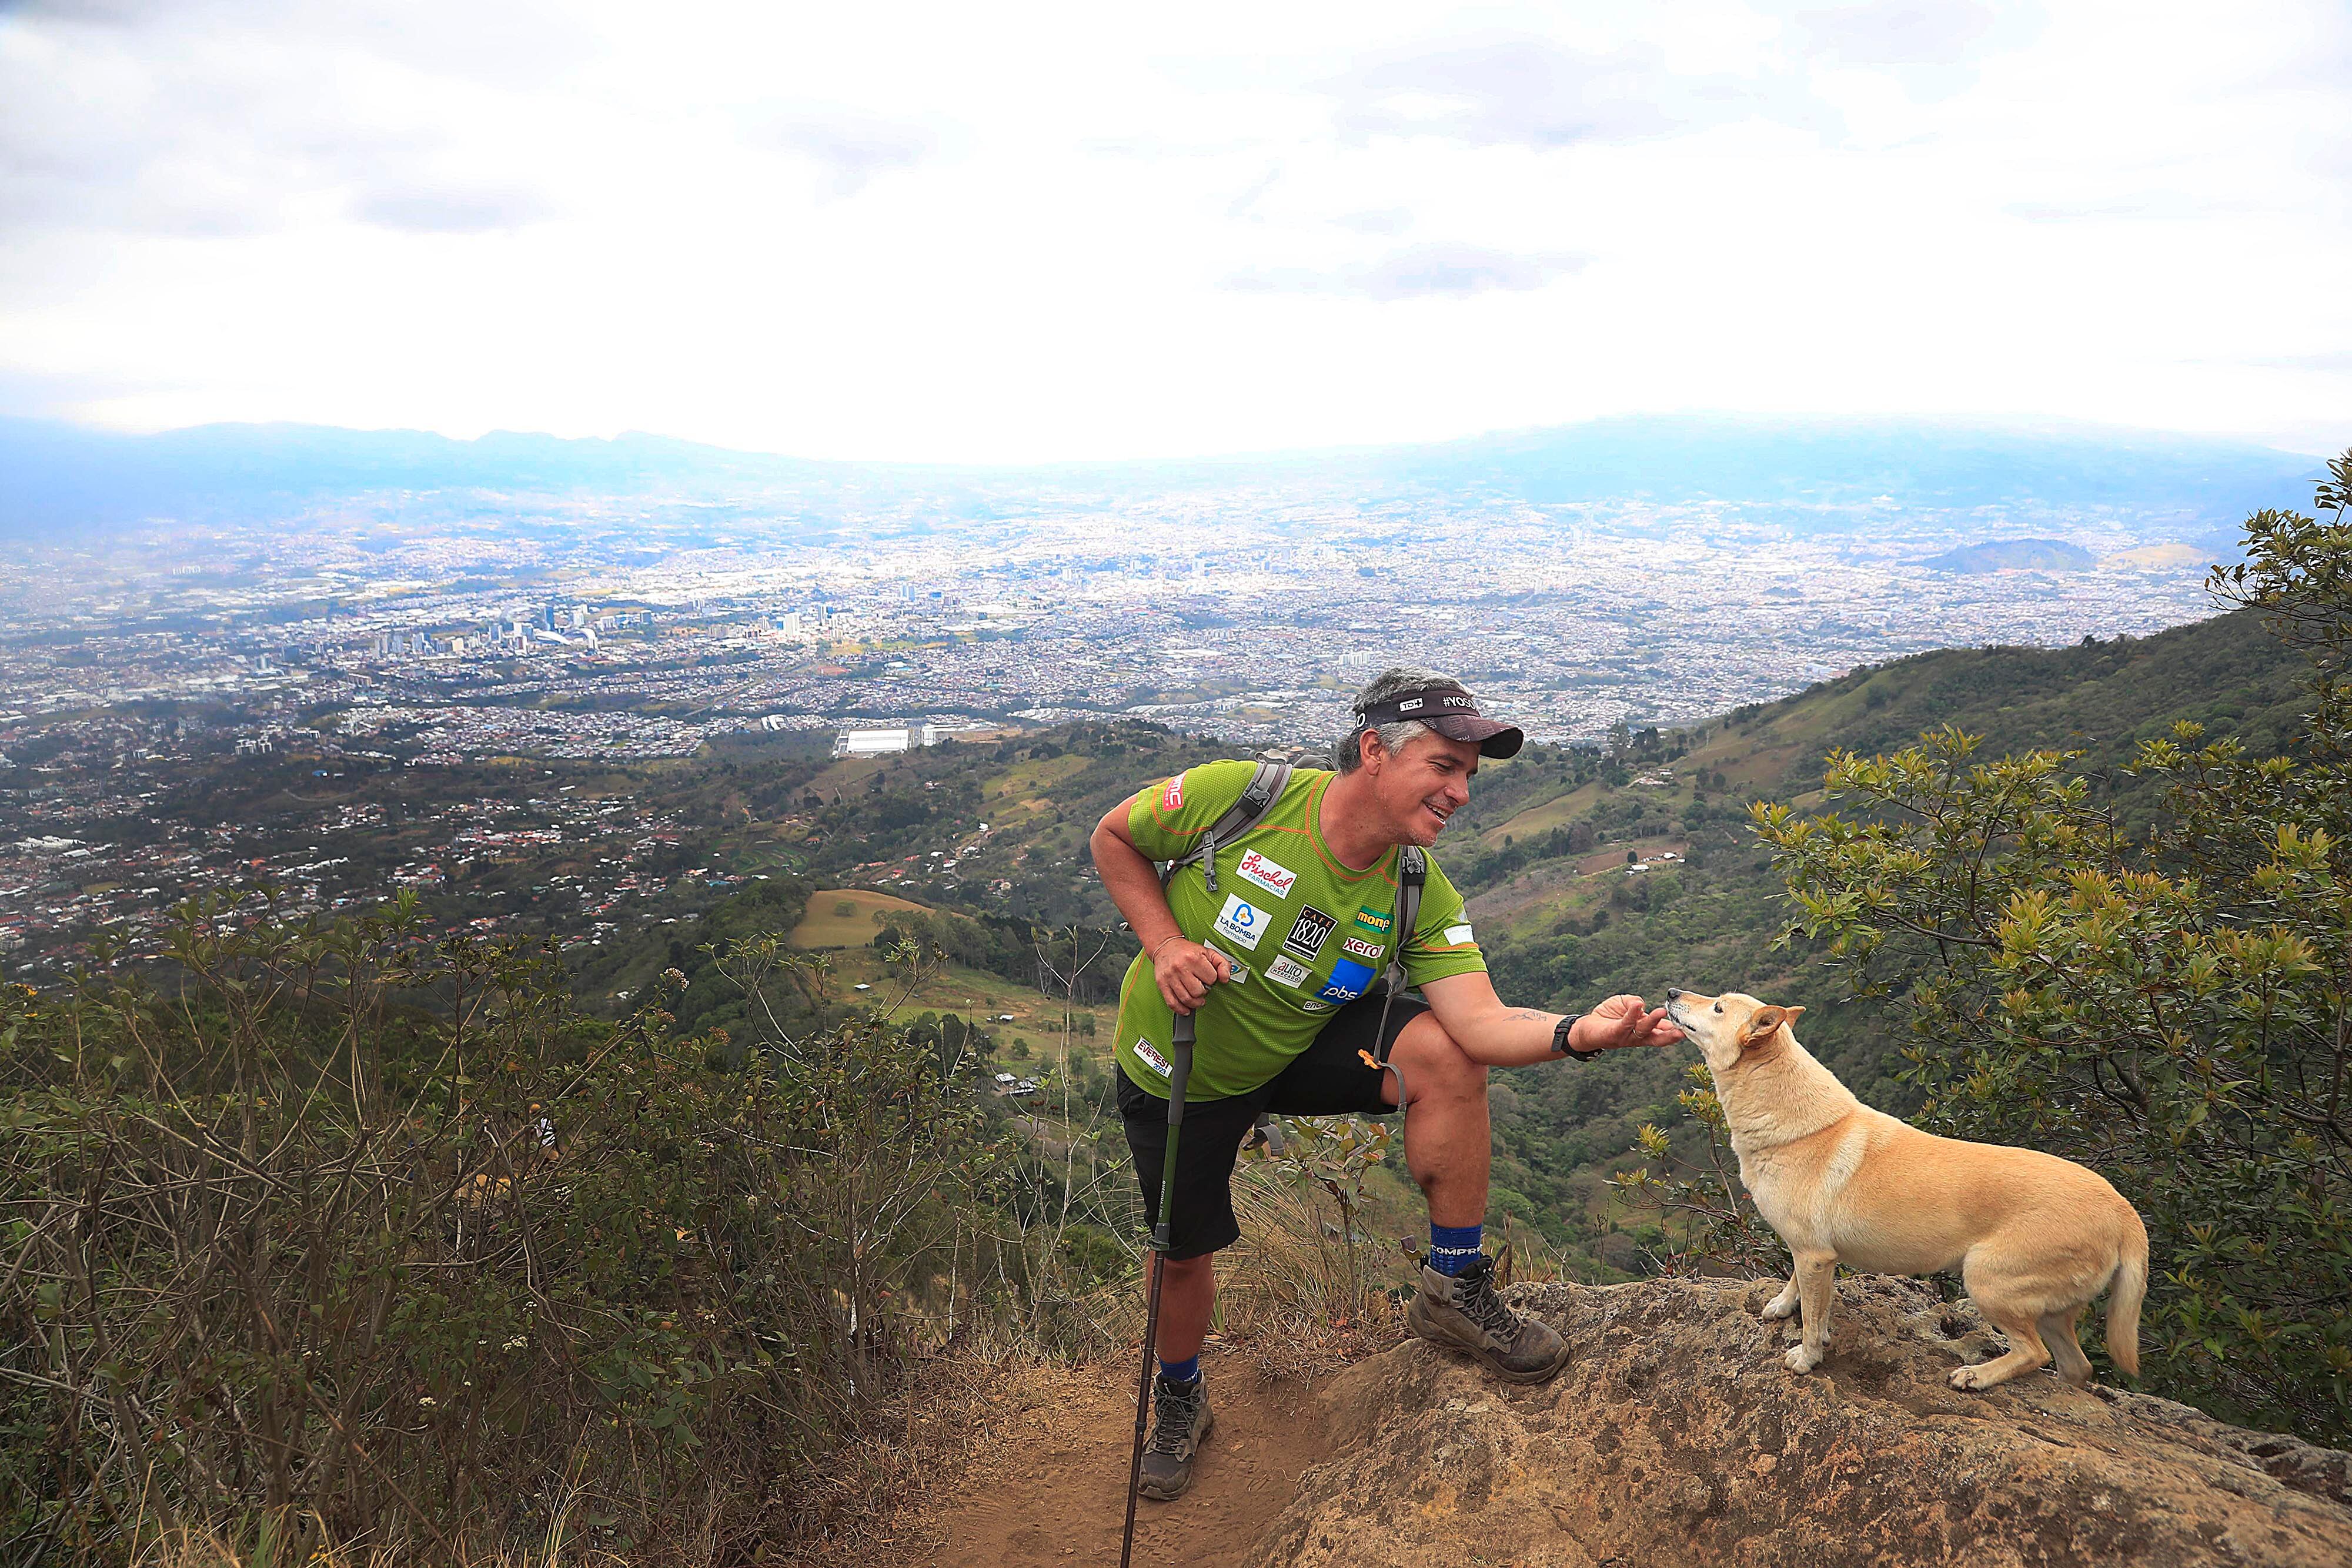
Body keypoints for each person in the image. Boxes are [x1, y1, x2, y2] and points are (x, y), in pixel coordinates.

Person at [1089, 666, 1684, 1502]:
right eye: (1444, 766)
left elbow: (1481, 1022)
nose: (1461, 793)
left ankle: (1453, 1285)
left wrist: (1583, 1032)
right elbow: (1114, 838)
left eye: (1468, 775)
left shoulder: (1416, 889)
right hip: (1184, 1064)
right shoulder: (1245, 799)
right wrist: (1164, 945)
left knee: (1449, 1054)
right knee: (1184, 1257)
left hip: (1301, 1040)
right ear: (1374, 750)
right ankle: (1182, 1393)